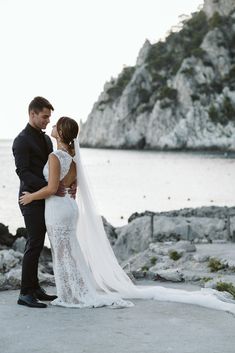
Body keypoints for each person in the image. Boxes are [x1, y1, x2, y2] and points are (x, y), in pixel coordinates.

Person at [20, 117, 235, 314]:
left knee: (62, 251)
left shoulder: (56, 156)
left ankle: (71, 294)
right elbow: (71, 187)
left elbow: (51, 189)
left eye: (56, 125)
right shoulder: (74, 161)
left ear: (62, 133)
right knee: (70, 250)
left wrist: (30, 198)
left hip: (58, 208)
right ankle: (74, 290)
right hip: (69, 207)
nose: (53, 126)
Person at [12, 97, 76, 308]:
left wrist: (67, 183)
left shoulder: (47, 140)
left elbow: (57, 166)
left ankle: (35, 288)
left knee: (40, 244)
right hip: (30, 198)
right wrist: (50, 186)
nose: (48, 121)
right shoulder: (21, 141)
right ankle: (24, 293)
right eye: (45, 116)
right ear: (32, 114)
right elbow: (23, 173)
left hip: (49, 198)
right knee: (34, 243)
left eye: (49, 117)